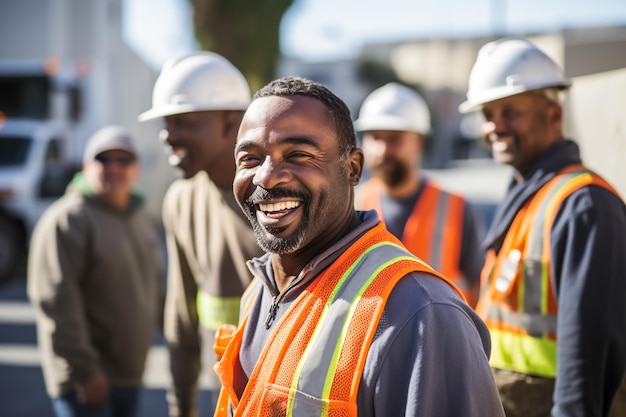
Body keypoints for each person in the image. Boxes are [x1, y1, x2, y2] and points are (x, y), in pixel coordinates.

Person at [212, 76, 505, 417]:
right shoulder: (260, 289)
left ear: (352, 169)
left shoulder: (424, 314)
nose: (266, 176)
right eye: (249, 159)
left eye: (298, 155)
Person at [459, 37, 626, 417]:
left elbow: (587, 360)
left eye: (510, 112)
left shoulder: (584, 205)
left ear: (554, 115)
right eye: (488, 114)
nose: (495, 127)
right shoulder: (528, 192)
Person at [138, 51, 263, 417]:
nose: (167, 136)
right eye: (165, 124)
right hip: (220, 398)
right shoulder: (180, 200)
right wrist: (181, 407)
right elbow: (181, 316)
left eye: (184, 123)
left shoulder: (279, 198)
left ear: (231, 124)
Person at [27, 125, 164, 417]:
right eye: (104, 159)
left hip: (129, 376)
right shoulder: (68, 219)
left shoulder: (141, 217)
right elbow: (56, 302)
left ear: (136, 169)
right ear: (86, 166)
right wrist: (84, 371)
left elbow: (155, 285)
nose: (114, 167)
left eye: (123, 160)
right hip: (89, 382)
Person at [354, 82, 485, 306]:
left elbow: (478, 286)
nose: (383, 150)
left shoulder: (456, 207)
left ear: (418, 143)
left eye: (394, 139)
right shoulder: (352, 206)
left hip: (442, 337)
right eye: (376, 138)